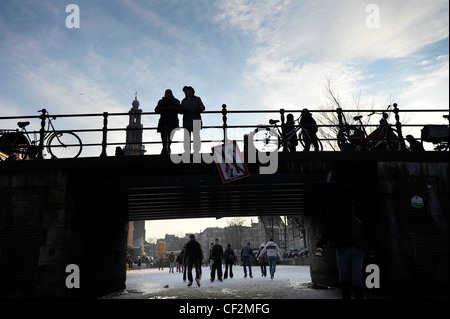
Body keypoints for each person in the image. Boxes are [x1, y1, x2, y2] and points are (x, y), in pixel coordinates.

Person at [315, 194, 373, 299]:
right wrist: (370, 247)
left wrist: (321, 245)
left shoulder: (336, 210)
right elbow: (367, 227)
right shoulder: (358, 209)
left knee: (343, 276)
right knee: (358, 278)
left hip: (342, 246)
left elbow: (329, 229)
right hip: (358, 246)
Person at [180, 86, 205, 153]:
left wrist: (197, 110)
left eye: (187, 90)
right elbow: (180, 111)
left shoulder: (197, 99)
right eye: (185, 91)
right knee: (187, 137)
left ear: (191, 91)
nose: (186, 92)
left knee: (196, 136)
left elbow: (202, 107)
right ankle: (187, 151)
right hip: (187, 120)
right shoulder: (183, 101)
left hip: (195, 119)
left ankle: (196, 151)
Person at [155, 89, 180, 154]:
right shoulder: (174, 101)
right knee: (165, 137)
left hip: (170, 121)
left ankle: (166, 148)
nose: (168, 95)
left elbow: (180, 110)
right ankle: (165, 148)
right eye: (167, 94)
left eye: (169, 93)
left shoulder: (175, 101)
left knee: (169, 137)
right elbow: (156, 110)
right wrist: (166, 108)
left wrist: (170, 108)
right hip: (166, 121)